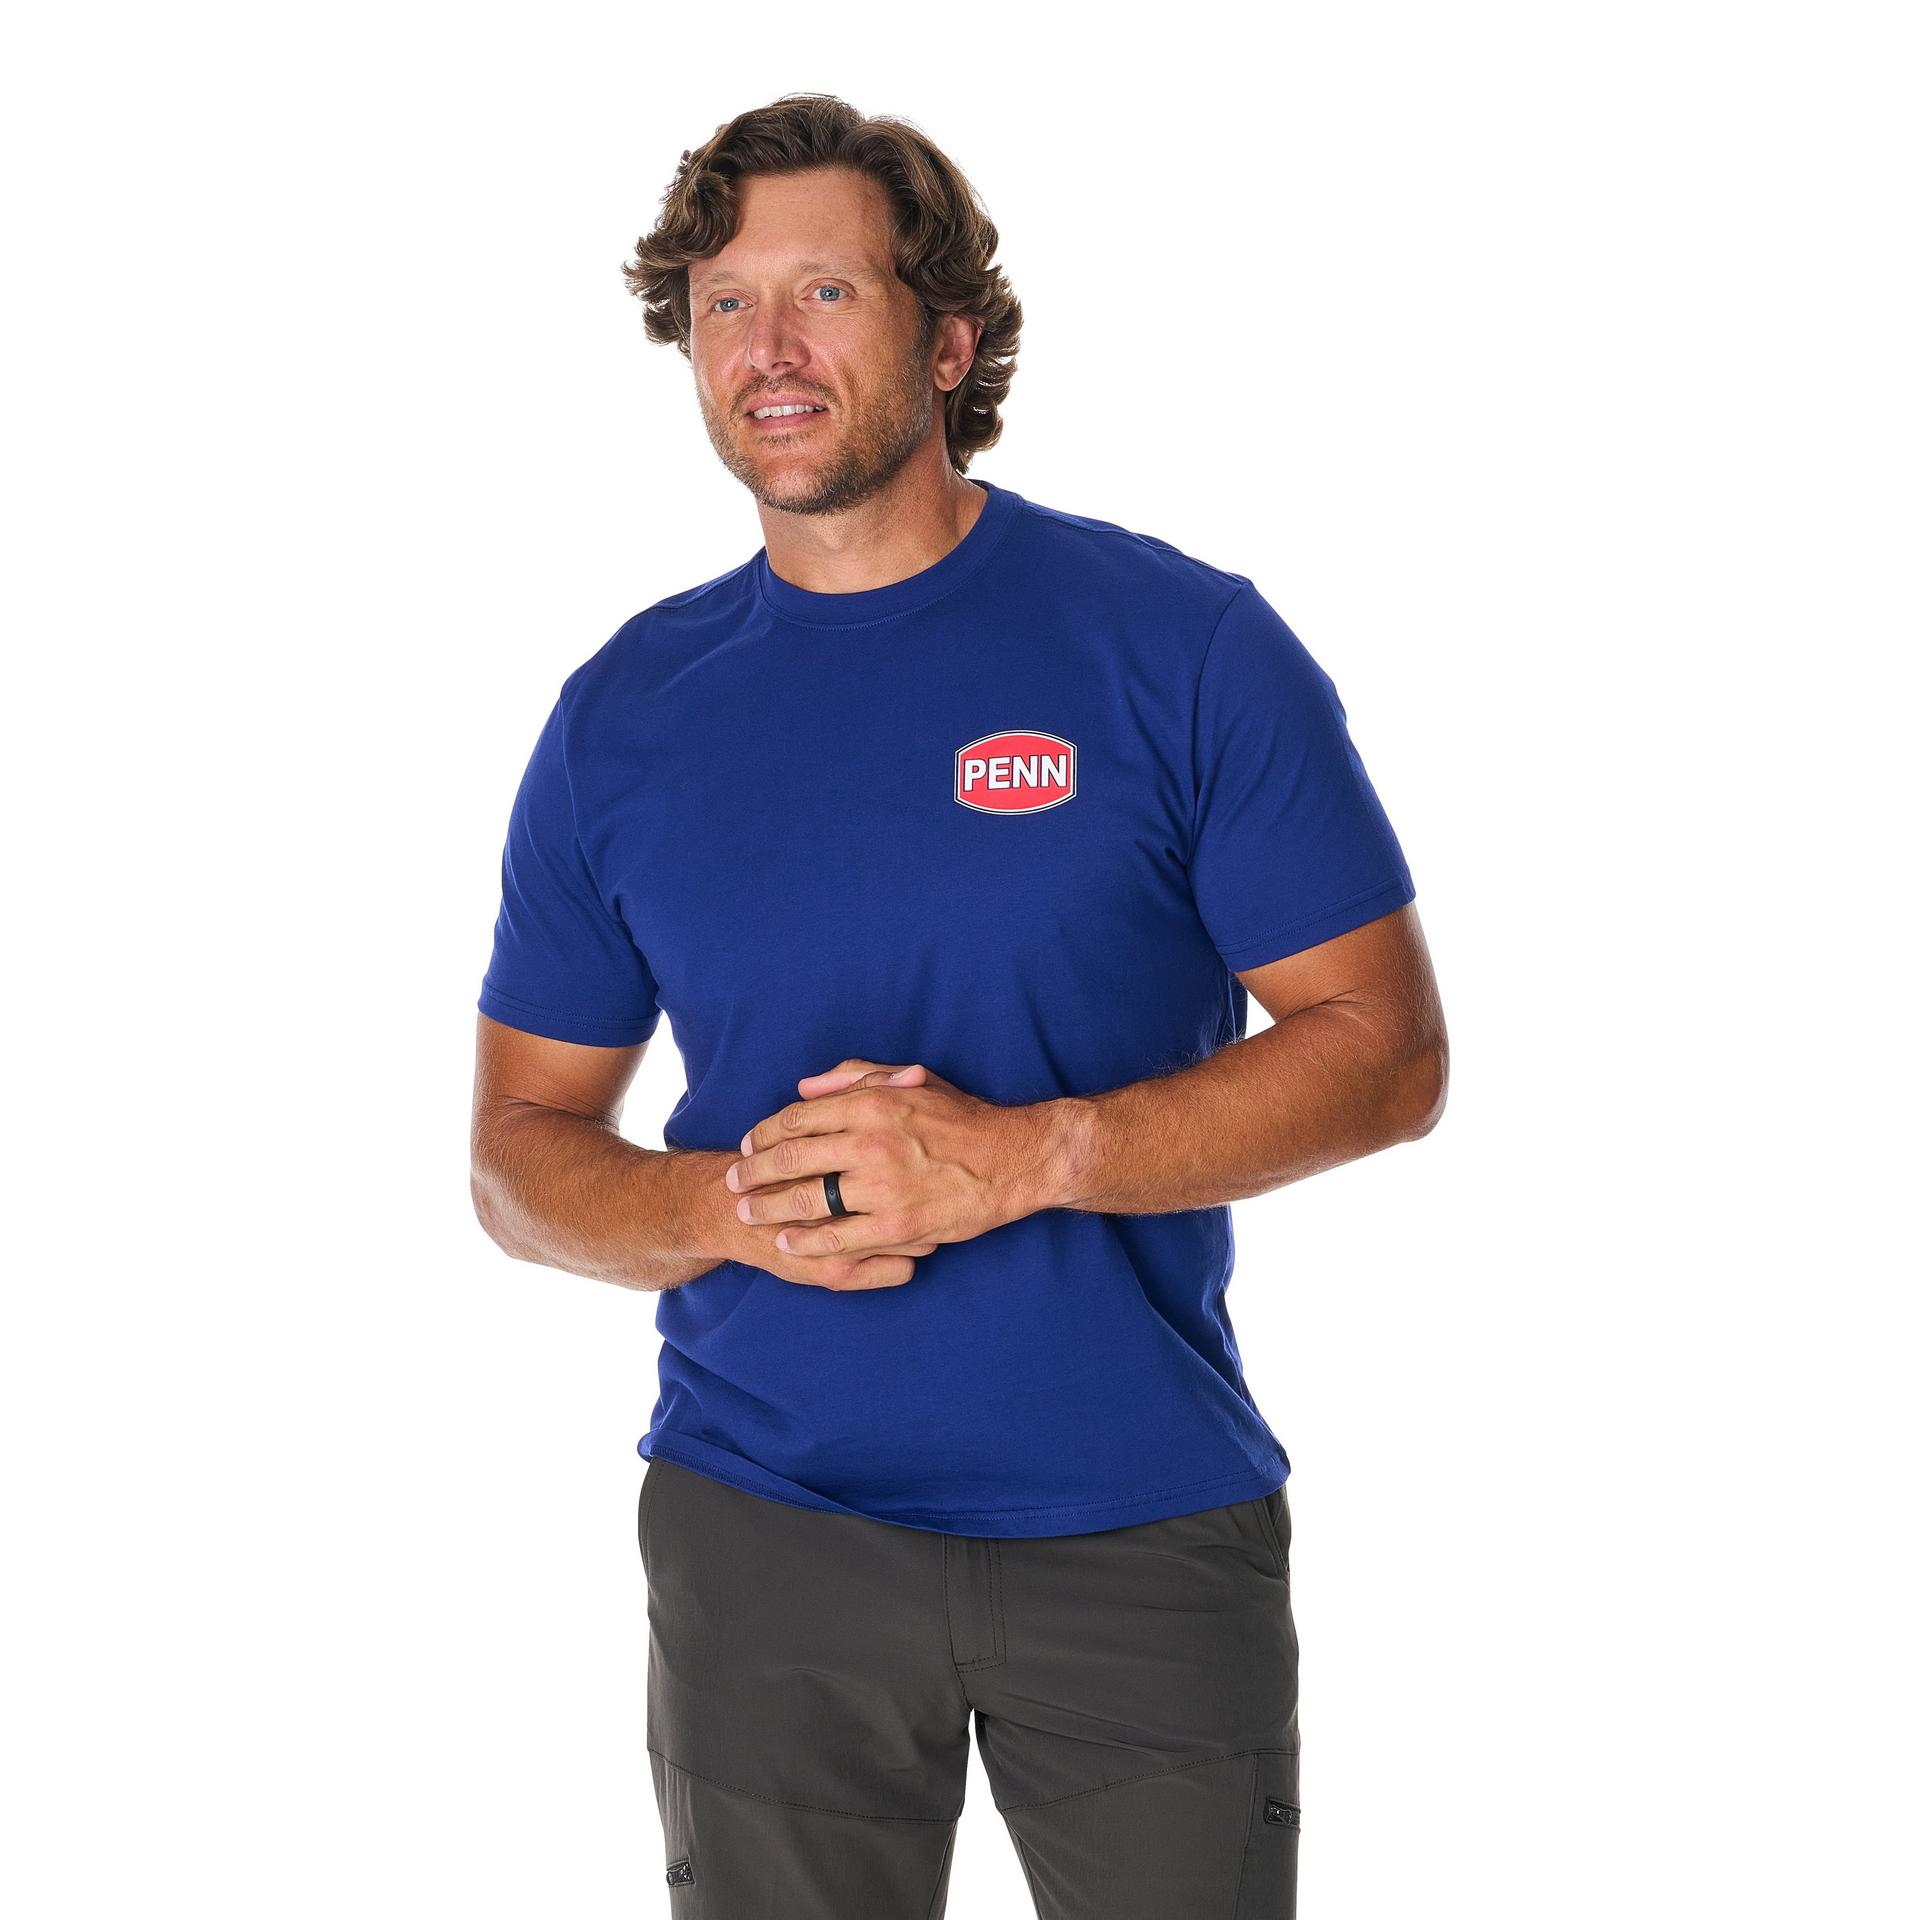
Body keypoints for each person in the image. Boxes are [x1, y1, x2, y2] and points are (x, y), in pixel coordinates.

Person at [469, 91, 1448, 1920]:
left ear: (947, 341)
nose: (767, 348)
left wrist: (1027, 1159)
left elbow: (1386, 1054)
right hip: (766, 1533)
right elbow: (517, 1158)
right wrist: (731, 1209)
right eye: (724, 303)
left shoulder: (1180, 647)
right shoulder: (624, 715)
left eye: (825, 292)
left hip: (1138, 1525)